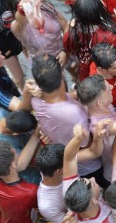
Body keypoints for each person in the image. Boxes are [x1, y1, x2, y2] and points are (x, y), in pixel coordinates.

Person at [30, 54, 107, 186]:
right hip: (89, 166)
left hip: (69, 160)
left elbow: (61, 98)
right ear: (62, 75)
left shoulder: (36, 101)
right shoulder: (74, 113)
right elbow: (91, 148)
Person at [63, 0, 116, 81]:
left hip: (86, 75)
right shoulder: (111, 35)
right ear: (99, 12)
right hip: (111, 74)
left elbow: (67, 48)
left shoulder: (72, 32)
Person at [61, 123, 115, 223]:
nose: (93, 179)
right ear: (94, 201)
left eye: (85, 180)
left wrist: (78, 139)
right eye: (93, 184)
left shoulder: (70, 189)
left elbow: (69, 158)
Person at [0, 140, 40, 223]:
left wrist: (35, 137)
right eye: (15, 153)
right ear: (13, 165)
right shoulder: (29, 192)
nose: (18, 154)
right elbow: (41, 208)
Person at [0, 108, 42, 184]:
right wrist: (35, 136)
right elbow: (20, 165)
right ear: (15, 133)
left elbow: (22, 104)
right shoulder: (2, 144)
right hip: (25, 176)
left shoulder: (3, 112)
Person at [0, 42, 33, 116]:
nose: (3, 57)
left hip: (13, 95)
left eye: (0, 53)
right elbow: (19, 108)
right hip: (7, 114)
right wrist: (27, 92)